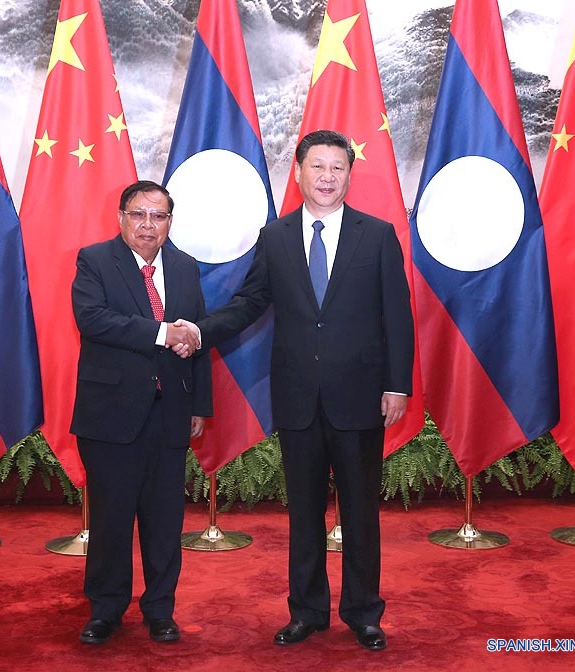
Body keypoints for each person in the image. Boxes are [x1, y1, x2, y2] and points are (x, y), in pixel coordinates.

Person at [176, 130, 413, 651]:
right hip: (298, 397)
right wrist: (199, 331)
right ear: (299, 172)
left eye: (337, 168)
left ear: (349, 174)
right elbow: (248, 303)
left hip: (360, 396)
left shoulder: (377, 235)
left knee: (360, 512)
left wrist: (397, 385)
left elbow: (397, 315)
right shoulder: (276, 236)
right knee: (304, 512)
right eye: (317, 167)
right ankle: (307, 612)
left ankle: (364, 613)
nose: (327, 177)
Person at [70, 180, 211, 646]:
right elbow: (92, 319)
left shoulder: (186, 267)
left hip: (171, 413)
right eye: (139, 214)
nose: (148, 225)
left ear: (170, 221)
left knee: (164, 521)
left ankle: (160, 610)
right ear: (121, 218)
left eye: (159, 216)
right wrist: (162, 333)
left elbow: (198, 338)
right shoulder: (95, 260)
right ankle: (105, 611)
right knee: (111, 520)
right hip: (110, 415)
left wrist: (200, 404)